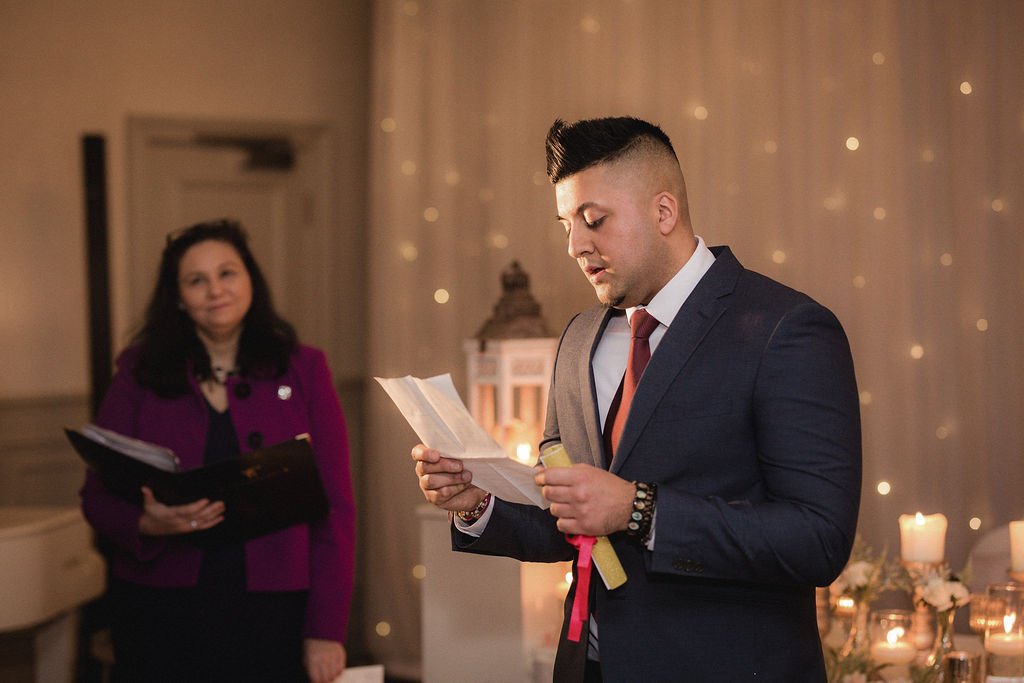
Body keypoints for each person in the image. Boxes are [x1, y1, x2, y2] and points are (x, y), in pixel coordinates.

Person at [411, 117, 862, 681]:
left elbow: (817, 539)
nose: (575, 245)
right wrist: (478, 504)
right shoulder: (578, 339)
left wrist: (639, 509)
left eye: (594, 220)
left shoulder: (784, 329)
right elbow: (572, 525)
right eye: (566, 224)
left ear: (663, 212)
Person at [80, 219, 355, 683]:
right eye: (196, 280)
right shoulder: (138, 373)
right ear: (179, 299)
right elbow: (96, 498)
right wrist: (146, 523)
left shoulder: (304, 368)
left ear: (250, 279)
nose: (215, 290)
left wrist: (326, 630)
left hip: (275, 610)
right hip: (160, 609)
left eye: (227, 273)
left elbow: (336, 509)